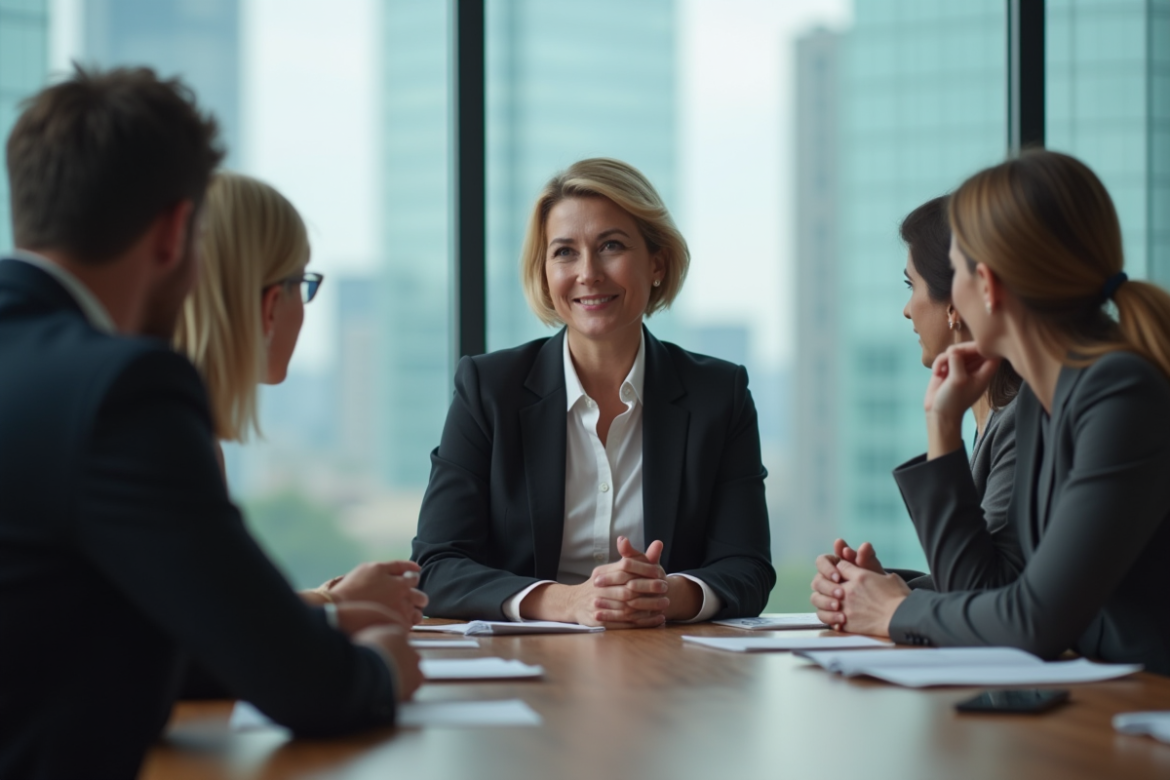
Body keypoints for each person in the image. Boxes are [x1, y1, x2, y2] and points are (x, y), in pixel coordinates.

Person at [0, 67, 420, 780]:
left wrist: (317, 619)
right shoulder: (122, 390)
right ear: (173, 234)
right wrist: (381, 667)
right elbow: (310, 689)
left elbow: (125, 630)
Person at [810, 150, 1170, 674]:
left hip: (1141, 706)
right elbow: (1002, 589)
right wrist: (942, 425)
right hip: (1103, 701)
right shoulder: (1050, 402)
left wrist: (894, 610)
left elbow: (1034, 623)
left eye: (953, 271)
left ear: (987, 285)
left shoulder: (1119, 394)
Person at [412, 158, 775, 627]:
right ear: (544, 272)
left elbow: (746, 568)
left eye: (611, 246)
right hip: (525, 667)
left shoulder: (718, 394)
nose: (588, 273)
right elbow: (435, 568)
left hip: (665, 666)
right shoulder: (488, 389)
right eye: (564, 252)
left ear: (657, 263)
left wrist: (661, 594)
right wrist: (567, 603)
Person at [173, 171, 427, 625]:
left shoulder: (175, 417)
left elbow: (213, 599)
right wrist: (338, 607)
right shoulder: (170, 433)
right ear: (272, 303)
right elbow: (210, 626)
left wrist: (328, 599)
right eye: (303, 285)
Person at [817, 197, 1023, 592]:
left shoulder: (1021, 417)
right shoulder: (995, 414)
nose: (907, 310)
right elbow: (976, 575)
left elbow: (985, 591)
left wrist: (893, 604)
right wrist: (884, 587)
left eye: (912, 286)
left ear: (956, 303)